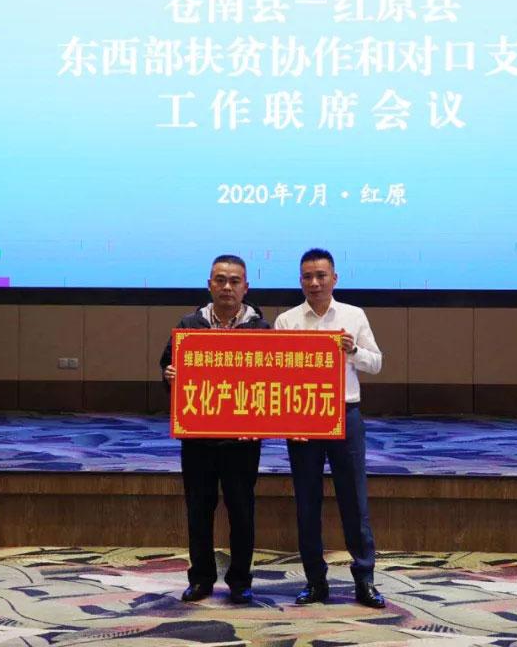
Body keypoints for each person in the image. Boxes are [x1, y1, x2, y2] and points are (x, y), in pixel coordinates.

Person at [274, 248, 385, 608]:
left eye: (321, 275)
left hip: (344, 415)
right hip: (303, 418)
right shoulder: (287, 321)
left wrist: (353, 351)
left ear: (334, 279)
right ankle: (315, 582)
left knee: (354, 500)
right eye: (308, 276)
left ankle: (364, 579)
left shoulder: (354, 315)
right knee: (307, 503)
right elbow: (277, 373)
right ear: (300, 281)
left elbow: (376, 363)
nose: (315, 283)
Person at [160, 254, 270, 605]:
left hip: (242, 441)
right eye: (220, 280)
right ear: (209, 285)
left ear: (246, 287)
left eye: (234, 281)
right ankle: (201, 578)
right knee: (199, 511)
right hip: (198, 439)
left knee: (242, 512)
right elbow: (168, 367)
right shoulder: (189, 325)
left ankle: (240, 581)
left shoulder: (261, 329)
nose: (227, 287)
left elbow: (272, 382)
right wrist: (170, 375)